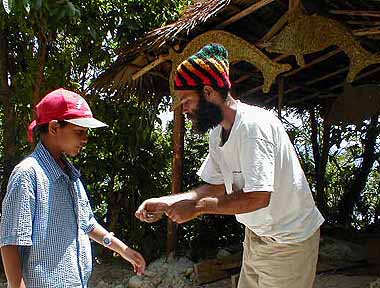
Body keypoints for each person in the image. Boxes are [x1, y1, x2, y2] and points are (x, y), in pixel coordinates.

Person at [135, 44, 324, 288]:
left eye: (187, 100)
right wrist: (168, 202)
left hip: (289, 242)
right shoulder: (218, 132)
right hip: (257, 237)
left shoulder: (254, 128)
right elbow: (216, 186)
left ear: (208, 91)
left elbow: (258, 197)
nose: (184, 109)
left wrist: (197, 207)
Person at [0, 88, 145, 288]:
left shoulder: (71, 175)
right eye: (79, 132)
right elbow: (11, 241)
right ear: (53, 128)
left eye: (86, 133)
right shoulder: (27, 174)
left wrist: (123, 250)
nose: (85, 139)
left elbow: (87, 224)